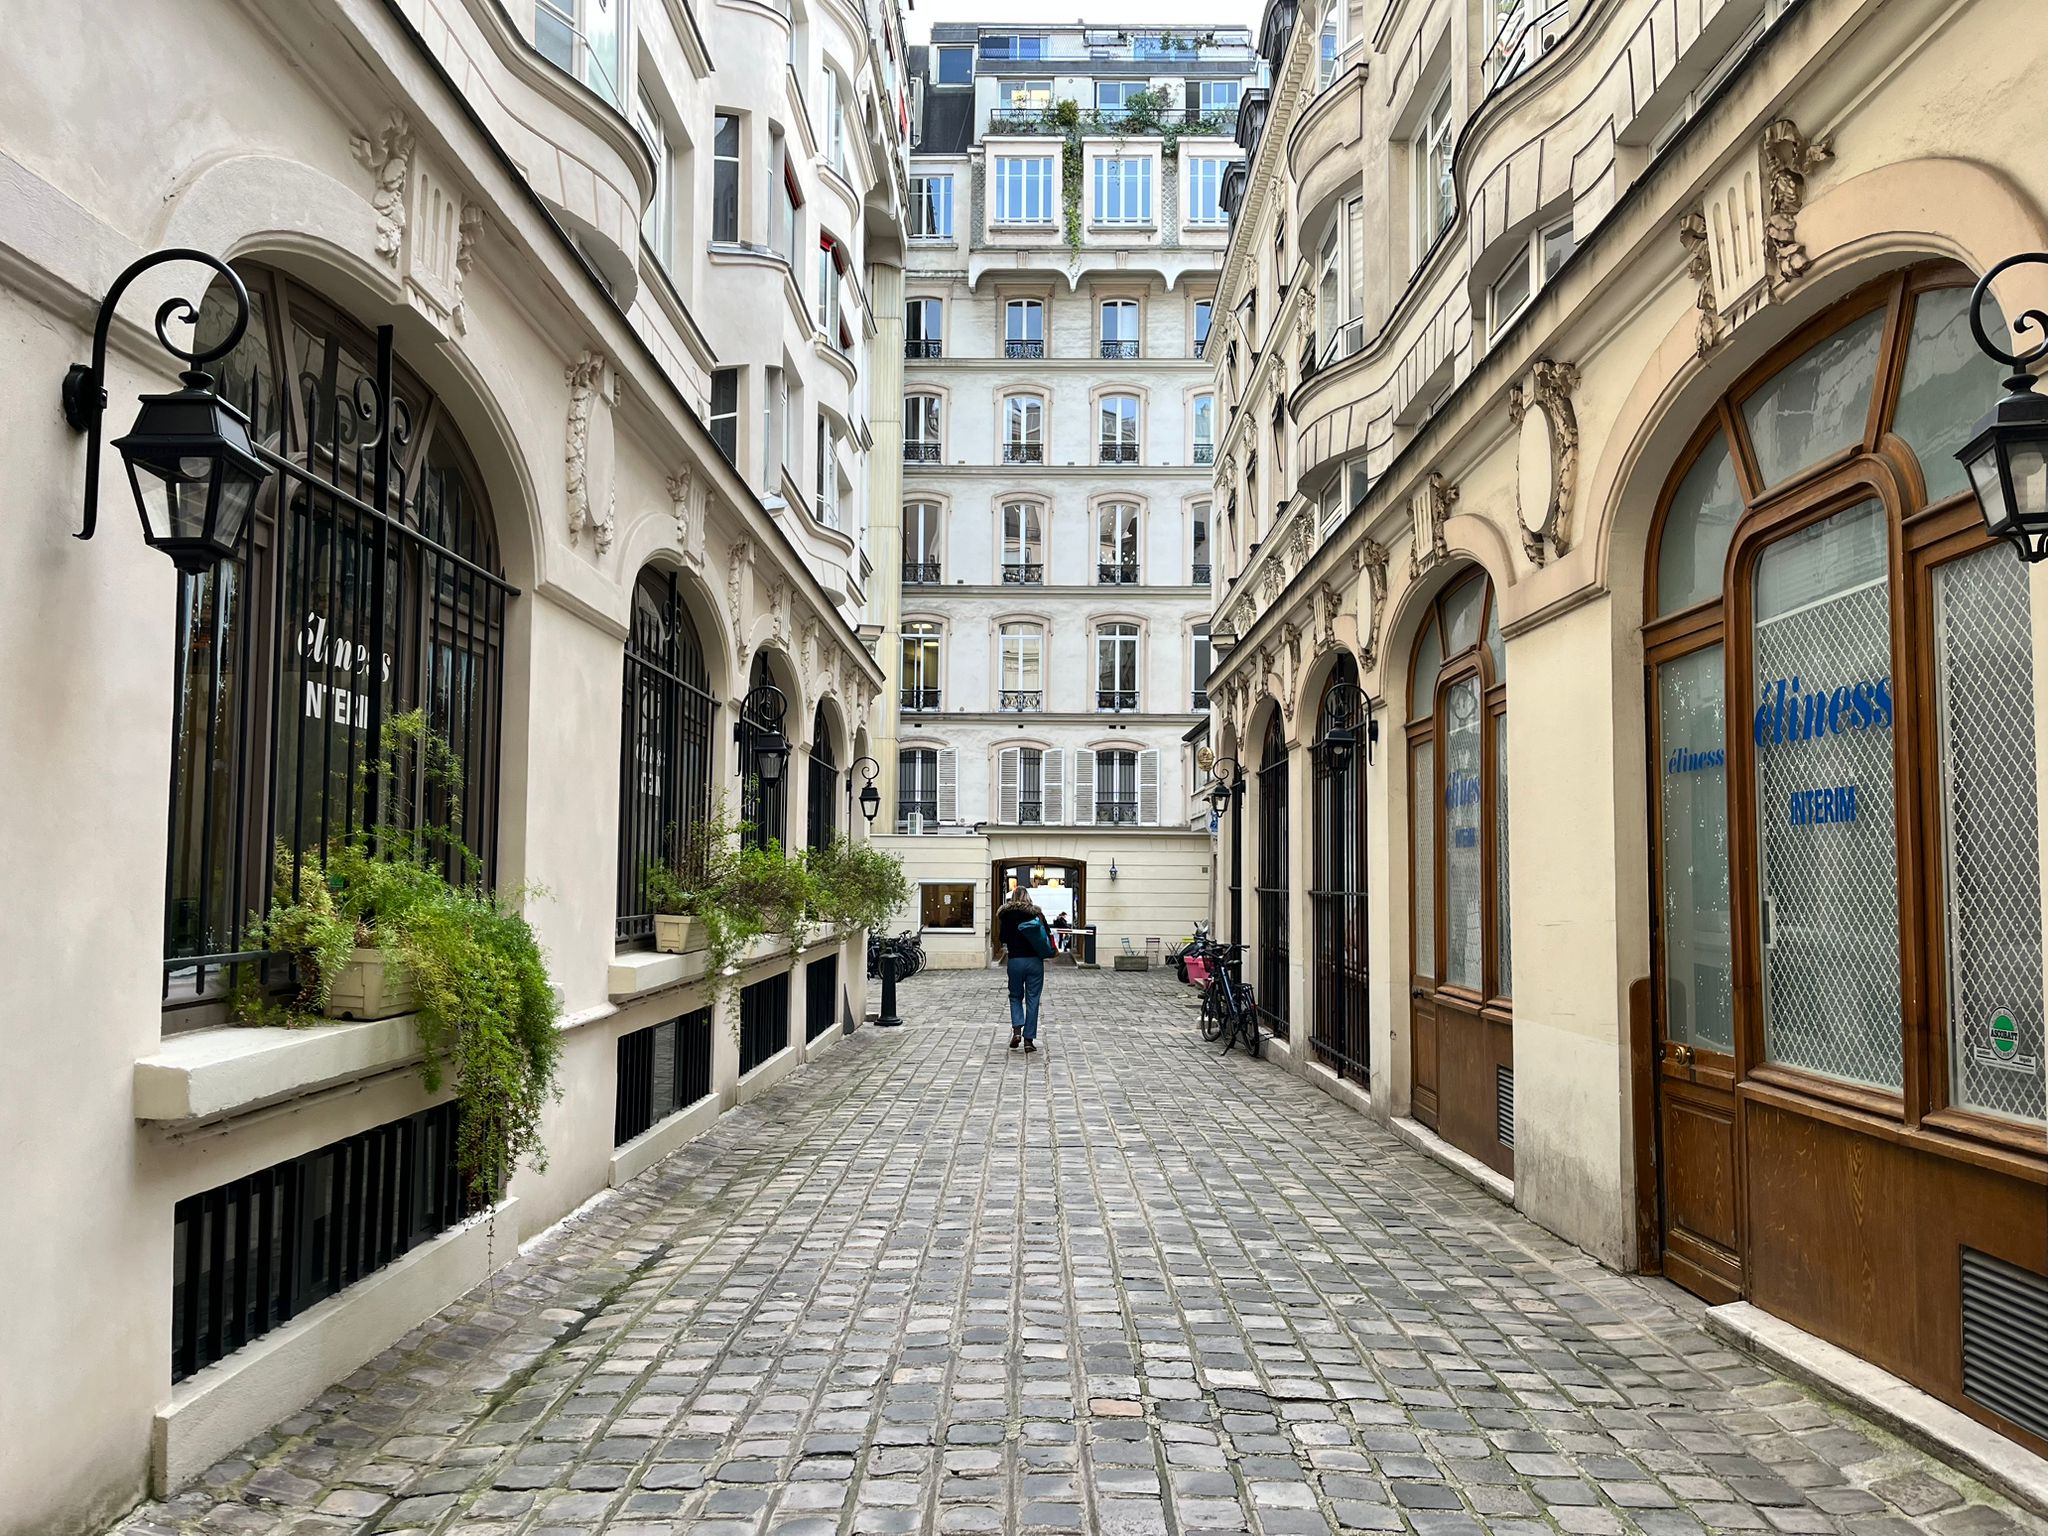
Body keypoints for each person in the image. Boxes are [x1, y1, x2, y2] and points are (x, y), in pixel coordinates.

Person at [995, 887, 1048, 1053]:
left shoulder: (1006, 915)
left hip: (1015, 961)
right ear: (1028, 897)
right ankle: (1028, 1040)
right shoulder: (1036, 914)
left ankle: (1017, 1030)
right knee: (1033, 999)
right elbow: (1046, 934)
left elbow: (1002, 938)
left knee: (1015, 996)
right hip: (1034, 962)